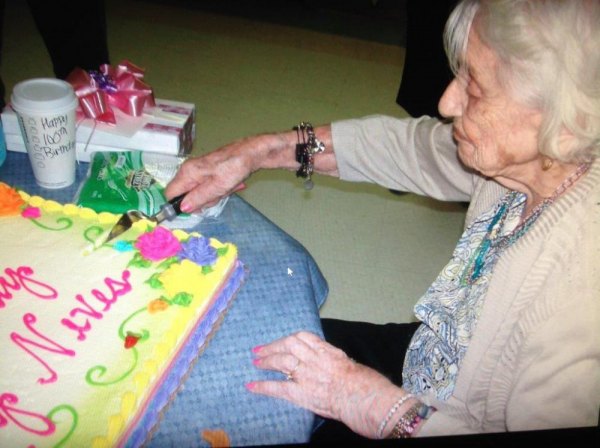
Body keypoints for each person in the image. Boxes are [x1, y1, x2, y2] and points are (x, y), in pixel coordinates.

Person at [165, 0, 600, 440]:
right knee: (241, 341)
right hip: (436, 353)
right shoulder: (534, 157)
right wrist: (255, 152)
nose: (448, 102)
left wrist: (376, 405)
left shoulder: (578, 308)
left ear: (566, 122)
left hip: (450, 414)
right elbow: (411, 148)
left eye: (477, 88)